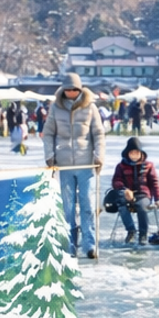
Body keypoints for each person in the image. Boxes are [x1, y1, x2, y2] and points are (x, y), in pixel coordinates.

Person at [43, 73, 106, 259]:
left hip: (86, 163)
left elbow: (99, 134)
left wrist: (99, 156)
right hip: (64, 166)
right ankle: (69, 246)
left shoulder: (90, 107)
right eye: (68, 89)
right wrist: (49, 155)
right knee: (67, 207)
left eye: (74, 89)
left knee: (87, 205)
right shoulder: (56, 108)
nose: (71, 92)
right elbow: (48, 133)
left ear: (80, 90)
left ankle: (90, 245)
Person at [110, 137, 159, 245]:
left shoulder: (148, 165)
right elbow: (116, 181)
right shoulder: (121, 166)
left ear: (141, 153)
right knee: (121, 205)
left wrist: (157, 199)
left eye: (136, 153)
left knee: (142, 207)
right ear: (127, 153)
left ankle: (143, 233)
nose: (134, 155)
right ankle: (131, 231)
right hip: (126, 194)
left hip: (143, 194)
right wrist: (124, 190)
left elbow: (154, 182)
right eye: (131, 153)